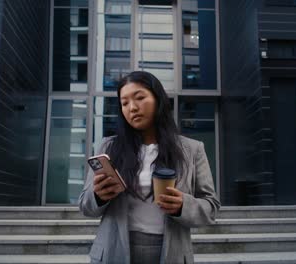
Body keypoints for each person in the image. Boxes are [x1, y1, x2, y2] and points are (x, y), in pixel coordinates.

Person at [79, 71, 220, 264]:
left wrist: (182, 205)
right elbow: (85, 206)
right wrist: (97, 195)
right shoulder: (109, 147)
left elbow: (211, 207)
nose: (132, 108)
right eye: (124, 103)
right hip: (114, 250)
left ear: (158, 100)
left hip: (171, 252)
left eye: (140, 98)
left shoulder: (192, 149)